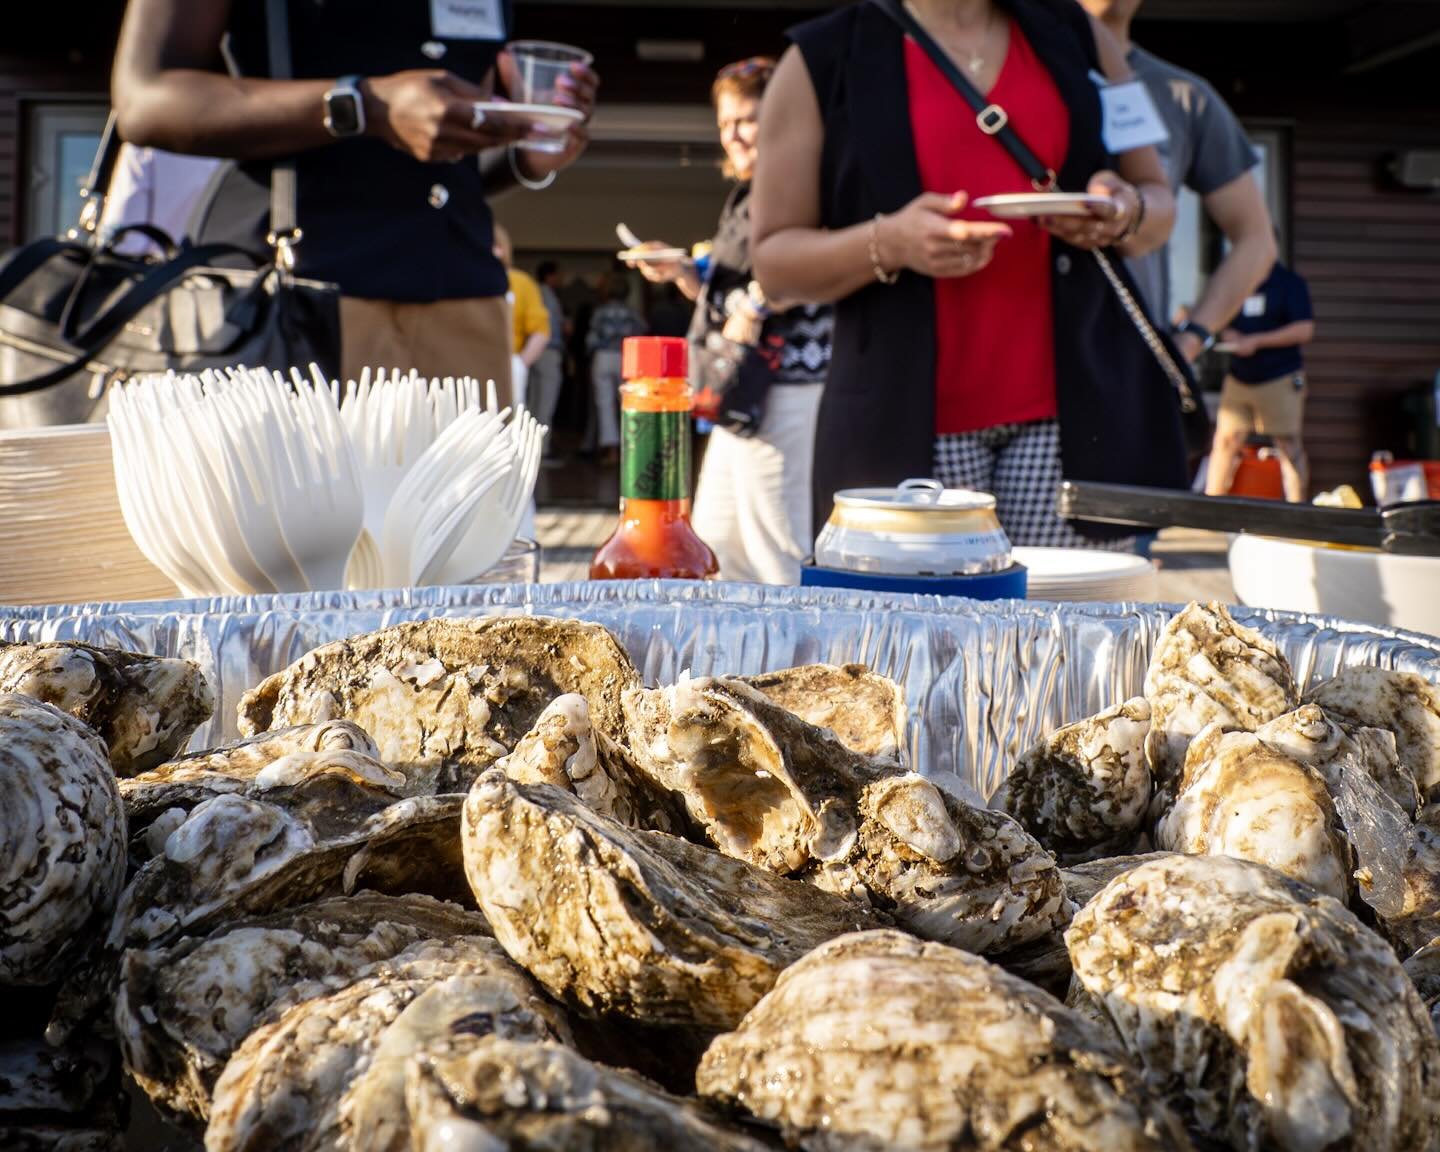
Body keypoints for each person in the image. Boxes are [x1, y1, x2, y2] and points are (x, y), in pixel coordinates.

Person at [751, 0, 1181, 548]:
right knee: (917, 634)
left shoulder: (1079, 33)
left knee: (1064, 630)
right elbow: (773, 263)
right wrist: (889, 242)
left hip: (1074, 423)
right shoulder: (818, 57)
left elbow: (1159, 205)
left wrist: (1125, 212)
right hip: (901, 425)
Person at [110, 0, 598, 401]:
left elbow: (435, 162)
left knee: (475, 520)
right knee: (293, 521)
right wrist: (364, 105)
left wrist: (525, 157)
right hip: (297, 299)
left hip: (467, 307)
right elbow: (144, 100)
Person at [628, 58, 834, 585]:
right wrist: (682, 273)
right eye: (724, 123)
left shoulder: (812, 182)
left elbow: (815, 266)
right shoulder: (746, 194)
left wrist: (756, 306)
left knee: (777, 547)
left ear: (783, 116)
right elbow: (726, 298)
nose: (732, 135)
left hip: (786, 386)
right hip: (736, 390)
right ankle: (728, 664)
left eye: (746, 119)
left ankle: (803, 666)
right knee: (716, 545)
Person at [1079, 0, 1276, 369]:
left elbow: (1256, 239)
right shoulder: (1012, 75)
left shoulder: (1185, 96)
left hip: (1132, 367)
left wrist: (1190, 340)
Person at [1206, 260, 1315, 502]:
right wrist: (1229, 334)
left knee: (1288, 444)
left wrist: (1256, 341)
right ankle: (1211, 506)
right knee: (1225, 440)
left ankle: (1297, 510)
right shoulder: (1239, 282)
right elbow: (1221, 319)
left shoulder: (1289, 283)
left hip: (1280, 375)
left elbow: (1304, 329)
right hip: (1240, 377)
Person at [98, 144, 222, 255]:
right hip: (225, 270)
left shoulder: (144, 145)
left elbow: (124, 244)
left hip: (160, 273)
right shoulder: (235, 142)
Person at [585, 274, 647, 464]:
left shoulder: (600, 312)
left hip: (602, 357)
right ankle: (632, 449)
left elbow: (592, 338)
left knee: (604, 405)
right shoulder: (631, 312)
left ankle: (610, 452)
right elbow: (643, 330)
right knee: (628, 404)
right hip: (626, 357)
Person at [494, 224, 549, 407]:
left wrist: (520, 363)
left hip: (508, 363)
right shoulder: (464, 280)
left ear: (500, 248)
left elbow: (541, 330)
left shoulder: (520, 282)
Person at [533, 260, 568, 452]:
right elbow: (554, 325)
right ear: (550, 276)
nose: (561, 279)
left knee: (532, 401)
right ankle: (542, 449)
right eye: (558, 274)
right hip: (548, 350)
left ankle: (530, 448)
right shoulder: (549, 296)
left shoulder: (533, 291)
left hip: (532, 353)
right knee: (546, 402)